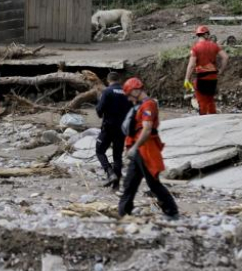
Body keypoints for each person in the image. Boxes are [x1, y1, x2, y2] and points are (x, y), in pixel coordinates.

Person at [118, 77, 178, 219]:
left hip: (146, 148)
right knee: (130, 182)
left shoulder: (148, 106)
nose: (129, 99)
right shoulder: (140, 106)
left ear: (136, 90)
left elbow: (147, 129)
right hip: (139, 148)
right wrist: (131, 148)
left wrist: (135, 147)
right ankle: (123, 212)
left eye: (129, 95)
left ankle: (172, 211)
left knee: (153, 183)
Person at [95, 71, 132, 190]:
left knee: (100, 150)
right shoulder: (127, 92)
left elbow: (99, 111)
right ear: (119, 80)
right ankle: (115, 185)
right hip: (122, 129)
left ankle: (110, 173)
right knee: (117, 156)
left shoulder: (107, 91)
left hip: (108, 127)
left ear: (108, 80)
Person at [183, 25, 229, 115]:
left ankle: (203, 121)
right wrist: (221, 70)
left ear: (198, 35)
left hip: (202, 78)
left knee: (202, 101)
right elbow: (226, 57)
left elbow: (192, 65)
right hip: (213, 77)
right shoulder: (214, 46)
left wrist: (186, 78)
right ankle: (213, 119)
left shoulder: (195, 48)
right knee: (210, 100)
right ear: (206, 35)